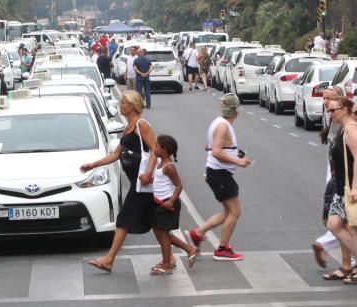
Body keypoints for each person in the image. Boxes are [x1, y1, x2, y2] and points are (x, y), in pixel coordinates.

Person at [83, 91, 156, 272]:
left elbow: (156, 150)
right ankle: (184, 250)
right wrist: (94, 164)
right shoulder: (128, 126)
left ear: (132, 106)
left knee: (123, 220)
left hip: (142, 183)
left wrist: (148, 173)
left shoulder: (142, 125)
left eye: (123, 103)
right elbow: (116, 154)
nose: (119, 105)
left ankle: (109, 259)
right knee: (157, 223)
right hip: (136, 182)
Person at [312, 88, 357, 275]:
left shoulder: (351, 129)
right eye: (327, 107)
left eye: (333, 107)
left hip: (349, 187)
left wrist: (355, 187)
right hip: (340, 185)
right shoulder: (339, 127)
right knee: (334, 224)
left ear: (345, 108)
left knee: (351, 227)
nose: (329, 111)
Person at [187, 93, 251, 260]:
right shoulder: (223, 126)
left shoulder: (217, 122)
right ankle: (222, 249)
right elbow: (215, 151)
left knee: (228, 211)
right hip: (220, 174)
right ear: (237, 111)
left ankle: (198, 233)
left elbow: (207, 147)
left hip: (216, 172)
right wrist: (238, 162)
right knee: (235, 211)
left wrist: (234, 152)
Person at [149, 134, 199, 273]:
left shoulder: (169, 166)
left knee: (163, 233)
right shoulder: (160, 164)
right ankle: (189, 249)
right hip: (159, 203)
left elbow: (178, 186)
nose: (155, 148)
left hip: (168, 204)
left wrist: (171, 201)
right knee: (159, 231)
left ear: (164, 150)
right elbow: (161, 182)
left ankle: (167, 265)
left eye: (157, 146)